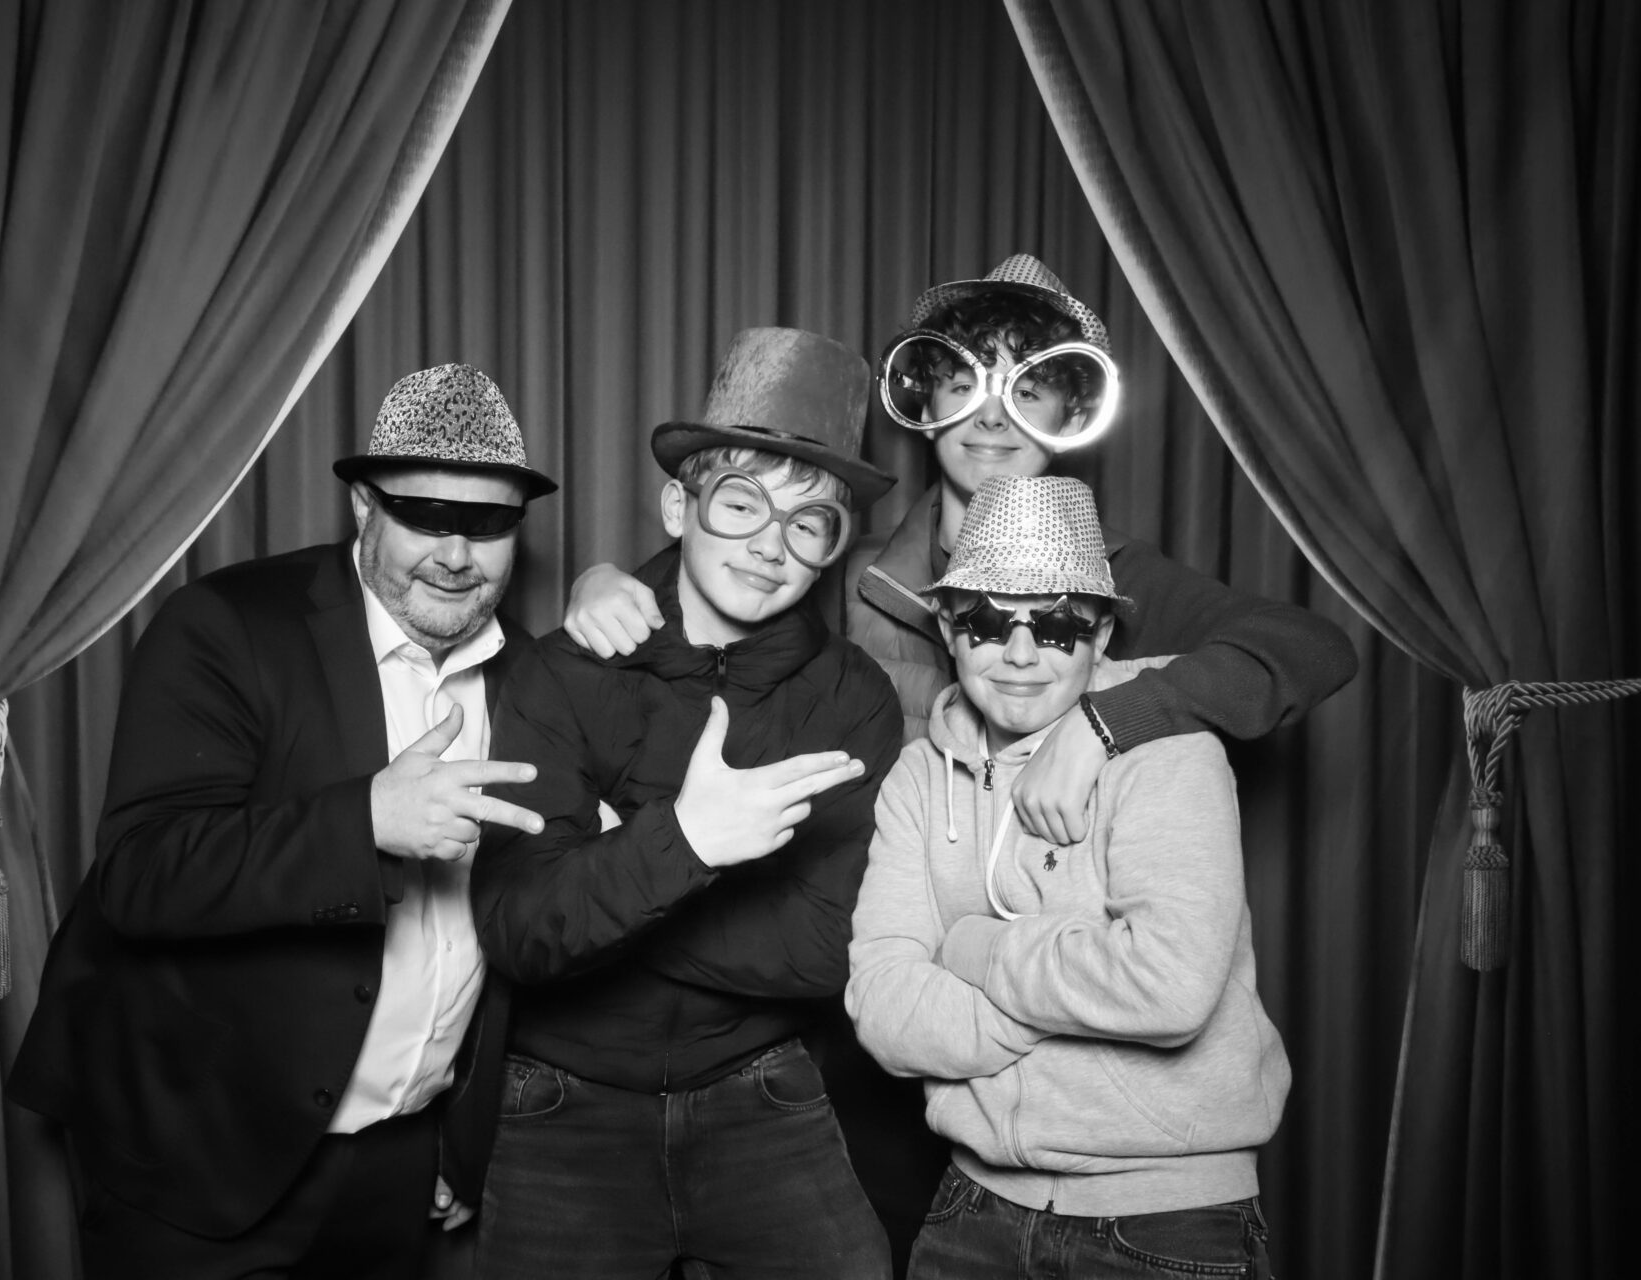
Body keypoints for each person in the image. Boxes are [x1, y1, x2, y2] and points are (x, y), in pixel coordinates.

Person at [557, 255, 1355, 1271]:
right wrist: (612, 585)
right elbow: (736, 566)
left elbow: (1311, 647)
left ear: (1073, 410)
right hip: (872, 1022)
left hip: (1093, 1094)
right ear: (924, 400)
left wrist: (1107, 720)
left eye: (1030, 385)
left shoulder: (1115, 577)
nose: (992, 415)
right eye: (964, 380)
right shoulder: (849, 568)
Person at [6, 364, 558, 1280]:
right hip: (202, 1162)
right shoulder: (227, 625)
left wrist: (457, 1139)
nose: (458, 554)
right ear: (363, 507)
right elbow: (142, 874)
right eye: (426, 516)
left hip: (395, 1163)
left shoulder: (529, 673)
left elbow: (504, 930)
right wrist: (365, 820)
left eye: (489, 524)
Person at [468, 327, 905, 1279]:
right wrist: (695, 843)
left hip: (763, 1089)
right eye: (742, 503)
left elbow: (832, 948)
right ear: (681, 506)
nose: (770, 546)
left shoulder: (852, 696)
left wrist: (624, 864)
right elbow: (522, 930)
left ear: (831, 549)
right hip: (560, 1102)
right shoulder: (564, 670)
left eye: (810, 523)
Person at [847, 473, 1287, 1278]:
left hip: (1165, 1224)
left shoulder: (1171, 753)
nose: (1019, 654)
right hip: (971, 1209)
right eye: (987, 622)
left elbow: (1167, 988)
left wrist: (974, 950)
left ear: (1101, 633)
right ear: (947, 626)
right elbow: (881, 1006)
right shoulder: (918, 776)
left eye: (1055, 626)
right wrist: (1066, 1004)